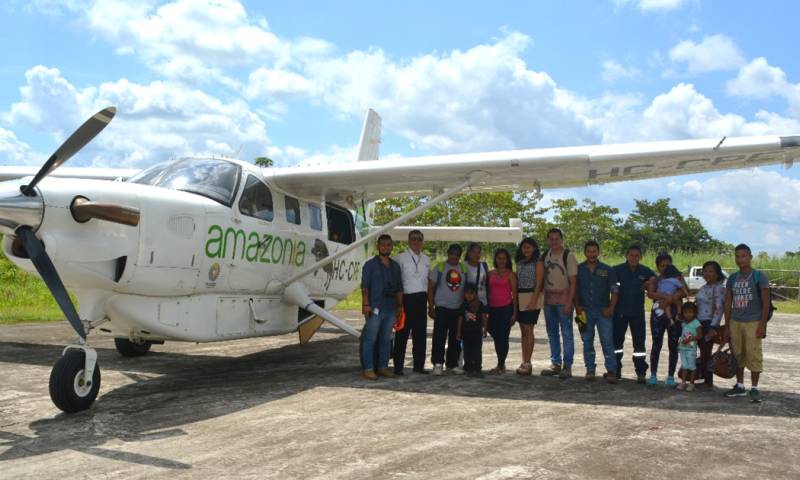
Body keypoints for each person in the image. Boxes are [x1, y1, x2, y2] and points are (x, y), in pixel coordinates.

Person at [722, 244, 769, 403]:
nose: (740, 259)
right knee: (738, 354)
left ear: (750, 257)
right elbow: (728, 302)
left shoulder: (759, 276)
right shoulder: (733, 278)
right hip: (736, 321)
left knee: (753, 354)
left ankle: (754, 388)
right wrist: (727, 325)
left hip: (753, 321)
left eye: (743, 256)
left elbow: (766, 301)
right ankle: (740, 385)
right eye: (737, 256)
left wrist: (762, 325)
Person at [574, 240, 619, 383]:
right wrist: (577, 307)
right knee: (587, 341)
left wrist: (611, 308)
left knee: (607, 341)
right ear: (585, 253)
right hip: (584, 311)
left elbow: (615, 291)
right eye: (589, 251)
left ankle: (611, 370)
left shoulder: (608, 269)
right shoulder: (579, 269)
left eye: (594, 251)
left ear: (598, 252)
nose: (592, 254)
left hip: (603, 311)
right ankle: (590, 370)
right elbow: (574, 290)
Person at [360, 234, 403, 380]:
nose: (386, 247)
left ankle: (383, 367)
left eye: (388, 244)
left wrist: (400, 306)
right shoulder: (370, 265)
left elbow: (399, 288)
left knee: (385, 339)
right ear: (378, 246)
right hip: (375, 308)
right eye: (383, 244)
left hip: (390, 308)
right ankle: (368, 368)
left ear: (392, 247)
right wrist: (365, 304)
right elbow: (365, 287)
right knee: (370, 339)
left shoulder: (395, 267)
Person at [613, 245, 656, 383]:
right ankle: (615, 370)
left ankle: (641, 372)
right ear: (626, 256)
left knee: (639, 345)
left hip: (637, 313)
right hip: (619, 312)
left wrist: (649, 283)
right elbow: (610, 287)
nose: (634, 258)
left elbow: (656, 279)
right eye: (631, 255)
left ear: (640, 257)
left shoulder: (645, 271)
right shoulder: (617, 270)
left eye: (637, 255)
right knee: (617, 344)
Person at [540, 228, 578, 379]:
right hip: (549, 301)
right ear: (548, 240)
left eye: (557, 239)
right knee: (552, 333)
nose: (554, 241)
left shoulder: (568, 256)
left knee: (567, 333)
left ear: (562, 239)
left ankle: (567, 366)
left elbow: (573, 282)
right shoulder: (545, 256)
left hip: (564, 300)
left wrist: (570, 302)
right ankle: (556, 363)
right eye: (551, 239)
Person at [393, 230, 432, 374]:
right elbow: (397, 282)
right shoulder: (400, 258)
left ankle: (419, 366)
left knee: (420, 335)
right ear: (409, 241)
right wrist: (398, 304)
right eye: (413, 239)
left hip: (422, 299)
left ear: (422, 241)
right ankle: (398, 367)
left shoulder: (427, 259)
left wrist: (430, 304)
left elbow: (428, 283)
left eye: (419, 239)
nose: (416, 242)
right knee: (402, 334)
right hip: (406, 299)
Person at [647, 253, 688, 387]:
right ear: (658, 267)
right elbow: (650, 293)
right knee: (656, 344)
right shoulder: (655, 279)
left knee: (673, 344)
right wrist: (665, 296)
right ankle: (653, 374)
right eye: (662, 265)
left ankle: (670, 376)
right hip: (658, 314)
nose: (665, 267)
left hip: (676, 314)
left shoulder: (678, 277)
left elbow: (685, 292)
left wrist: (670, 299)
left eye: (667, 265)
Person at [428, 244, 467, 376]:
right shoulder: (440, 267)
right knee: (439, 337)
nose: (454, 256)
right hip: (442, 308)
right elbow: (431, 288)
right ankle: (437, 364)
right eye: (452, 253)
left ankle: (452, 364)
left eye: (457, 254)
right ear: (448, 254)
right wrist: (431, 306)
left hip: (457, 309)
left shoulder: (463, 269)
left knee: (456, 338)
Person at [514, 238, 544, 376]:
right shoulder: (519, 262)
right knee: (523, 332)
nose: (526, 249)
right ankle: (524, 360)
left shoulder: (538, 262)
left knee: (529, 330)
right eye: (524, 247)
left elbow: (539, 283)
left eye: (529, 247)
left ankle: (528, 362)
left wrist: (534, 300)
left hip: (532, 295)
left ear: (534, 248)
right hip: (520, 296)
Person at [695, 261, 726, 386]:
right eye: (705, 271)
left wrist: (713, 326)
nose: (707, 273)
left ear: (717, 274)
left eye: (711, 271)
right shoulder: (704, 287)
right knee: (702, 351)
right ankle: (704, 376)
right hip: (698, 323)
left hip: (709, 324)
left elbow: (719, 309)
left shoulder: (719, 288)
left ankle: (708, 381)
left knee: (706, 353)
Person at [487, 248, 518, 374]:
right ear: (495, 259)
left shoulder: (511, 274)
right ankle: (500, 364)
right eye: (499, 258)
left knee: (503, 337)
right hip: (492, 309)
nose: (501, 261)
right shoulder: (490, 274)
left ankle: (501, 364)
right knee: (495, 334)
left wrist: (515, 313)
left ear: (507, 260)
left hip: (506, 309)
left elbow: (515, 295)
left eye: (504, 258)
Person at [457, 283, 488, 378]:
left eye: (471, 293)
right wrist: (458, 332)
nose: (469, 295)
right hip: (466, 333)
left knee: (477, 351)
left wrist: (485, 329)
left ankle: (477, 369)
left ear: (475, 294)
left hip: (477, 333)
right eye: (466, 293)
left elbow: (484, 317)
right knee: (467, 352)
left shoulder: (480, 304)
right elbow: (460, 319)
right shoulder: (463, 305)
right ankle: (469, 368)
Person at [677, 302, 702, 392]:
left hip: (691, 349)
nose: (688, 314)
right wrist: (679, 344)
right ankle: (683, 382)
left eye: (690, 312)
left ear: (695, 313)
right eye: (686, 312)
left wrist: (690, 339)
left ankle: (691, 383)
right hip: (683, 348)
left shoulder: (696, 323)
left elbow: (699, 336)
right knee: (684, 366)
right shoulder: (683, 323)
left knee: (692, 366)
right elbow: (682, 335)